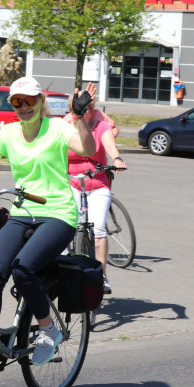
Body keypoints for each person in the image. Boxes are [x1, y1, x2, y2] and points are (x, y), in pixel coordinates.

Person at [0, 75, 96, 365]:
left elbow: (88, 149)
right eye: (17, 101)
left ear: (40, 102)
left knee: (24, 269)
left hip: (58, 213)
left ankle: (49, 330)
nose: (23, 106)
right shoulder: (7, 134)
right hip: (22, 212)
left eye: (29, 100)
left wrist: (80, 117)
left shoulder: (58, 128)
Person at [63, 92, 127, 294]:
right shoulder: (66, 126)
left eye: (87, 108)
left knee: (98, 228)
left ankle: (102, 275)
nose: (83, 112)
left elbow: (110, 145)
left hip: (98, 182)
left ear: (93, 110)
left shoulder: (102, 127)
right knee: (66, 226)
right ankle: (62, 269)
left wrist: (116, 159)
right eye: (78, 109)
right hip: (71, 182)